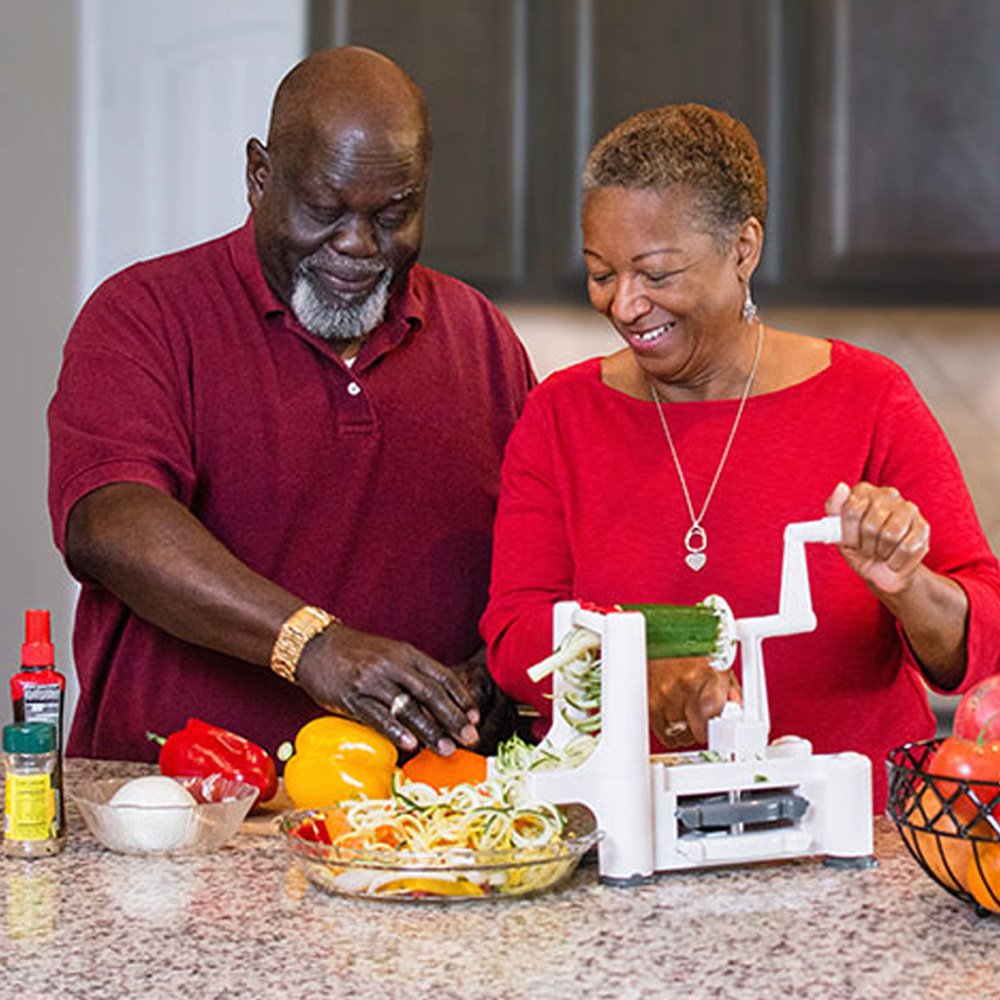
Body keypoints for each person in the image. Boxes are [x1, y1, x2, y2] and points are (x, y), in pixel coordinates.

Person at [480, 103, 1000, 810]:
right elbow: (516, 641)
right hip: (629, 830)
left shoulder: (870, 398)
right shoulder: (560, 417)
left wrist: (906, 586)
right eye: (601, 273)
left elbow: (976, 645)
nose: (626, 305)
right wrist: (645, 673)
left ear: (743, 249)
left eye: (656, 273)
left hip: (856, 838)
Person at [48, 47, 535, 765]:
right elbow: (110, 521)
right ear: (258, 176)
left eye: (393, 214)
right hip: (178, 810)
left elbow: (543, 552)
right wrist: (311, 646)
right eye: (324, 209)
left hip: (415, 821)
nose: (357, 245)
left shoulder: (480, 335)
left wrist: (497, 670)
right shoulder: (145, 313)